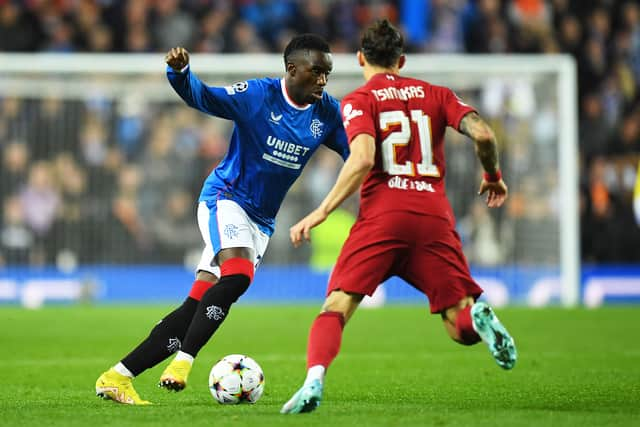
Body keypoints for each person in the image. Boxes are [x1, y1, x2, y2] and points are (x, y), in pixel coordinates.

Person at [95, 34, 349, 405]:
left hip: (261, 221)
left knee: (196, 306)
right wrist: (180, 74)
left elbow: (357, 150)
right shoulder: (258, 96)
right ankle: (184, 362)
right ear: (292, 69)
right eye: (317, 72)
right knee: (239, 275)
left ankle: (117, 376)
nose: (323, 81)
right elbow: (206, 97)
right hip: (224, 198)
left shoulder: (326, 113)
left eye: (328, 73)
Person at [281, 19, 517, 415]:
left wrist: (320, 212)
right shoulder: (438, 94)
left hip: (384, 217)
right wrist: (492, 176)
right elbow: (484, 134)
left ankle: (313, 379)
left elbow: (363, 158)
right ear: (402, 60)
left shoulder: (359, 99)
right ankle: (478, 318)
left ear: (360, 58)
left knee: (336, 306)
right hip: (432, 216)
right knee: (456, 322)